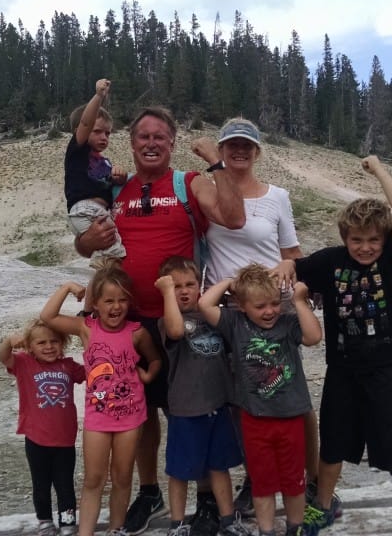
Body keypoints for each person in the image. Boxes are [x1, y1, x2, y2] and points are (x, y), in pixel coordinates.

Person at [74, 106, 245, 535]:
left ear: (171, 144)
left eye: (159, 137)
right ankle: (149, 490)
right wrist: (85, 241)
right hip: (131, 323)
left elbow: (234, 216)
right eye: (143, 137)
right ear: (131, 145)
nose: (151, 143)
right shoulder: (117, 190)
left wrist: (217, 164)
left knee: (197, 409)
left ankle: (206, 497)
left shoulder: (189, 184)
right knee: (141, 412)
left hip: (184, 323)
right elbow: (84, 243)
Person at [275, 155, 392, 536]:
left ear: (384, 239)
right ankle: (324, 507)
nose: (365, 248)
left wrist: (378, 169)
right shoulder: (331, 262)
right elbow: (290, 267)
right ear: (344, 237)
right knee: (332, 444)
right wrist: (284, 267)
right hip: (342, 371)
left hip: (384, 370)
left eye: (372, 240)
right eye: (356, 240)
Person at [201, 117, 320, 527]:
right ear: (220, 151)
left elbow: (294, 252)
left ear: (257, 152)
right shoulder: (208, 190)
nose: (239, 151)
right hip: (231, 311)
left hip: (275, 306)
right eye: (231, 145)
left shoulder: (278, 197)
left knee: (288, 390)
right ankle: (258, 478)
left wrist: (289, 261)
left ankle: (311, 478)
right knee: (242, 397)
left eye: (247, 146)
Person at [39, 264, 164, 536]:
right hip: (98, 418)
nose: (115, 307)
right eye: (108, 300)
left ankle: (116, 529)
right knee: (94, 479)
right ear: (95, 303)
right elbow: (47, 316)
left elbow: (155, 359)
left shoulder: (137, 332)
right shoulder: (86, 328)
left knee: (121, 478)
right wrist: (68, 288)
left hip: (131, 418)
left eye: (121, 300)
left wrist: (148, 374)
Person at [198, 264, 322, 536]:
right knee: (262, 482)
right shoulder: (235, 324)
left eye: (275, 303)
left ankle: (295, 528)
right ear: (242, 306)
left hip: (290, 416)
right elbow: (205, 304)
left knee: (293, 481)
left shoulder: (287, 324)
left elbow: (314, 336)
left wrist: (298, 302)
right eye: (260, 306)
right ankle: (266, 530)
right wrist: (230, 282)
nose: (269, 311)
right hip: (255, 419)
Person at [154, 256, 250, 536]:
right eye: (176, 286)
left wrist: (229, 283)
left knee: (219, 467)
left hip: (218, 405)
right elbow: (174, 330)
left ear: (200, 286)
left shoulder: (211, 316)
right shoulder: (168, 321)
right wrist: (166, 292)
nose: (183, 291)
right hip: (186, 409)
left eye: (189, 284)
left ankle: (229, 519)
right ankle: (177, 524)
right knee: (181, 470)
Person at [0, 319, 86, 536]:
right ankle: (45, 522)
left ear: (63, 343)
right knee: (41, 485)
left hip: (65, 440)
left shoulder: (69, 366)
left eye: (54, 341)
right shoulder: (23, 363)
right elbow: (2, 357)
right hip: (36, 439)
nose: (49, 347)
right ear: (30, 347)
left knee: (65, 485)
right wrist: (9, 341)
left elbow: (92, 374)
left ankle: (67, 522)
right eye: (41, 343)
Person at [65, 78, 126, 267]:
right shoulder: (78, 150)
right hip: (86, 209)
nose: (104, 137)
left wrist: (119, 177)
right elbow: (85, 122)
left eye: (108, 133)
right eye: (97, 131)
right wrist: (99, 96)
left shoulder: (104, 161)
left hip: (95, 211)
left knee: (110, 253)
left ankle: (103, 274)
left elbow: (110, 183)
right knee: (116, 253)